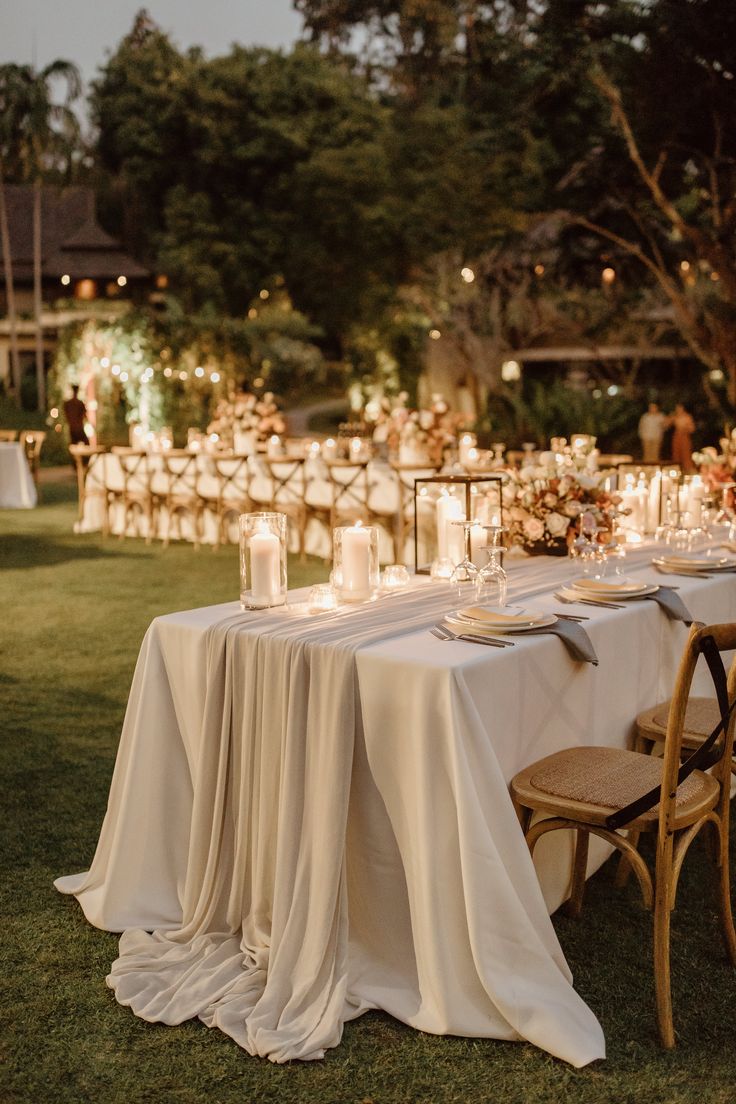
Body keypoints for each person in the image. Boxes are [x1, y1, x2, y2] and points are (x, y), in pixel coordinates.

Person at [671, 403, 696, 472]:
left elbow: (692, 428)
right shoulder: (675, 416)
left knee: (686, 453)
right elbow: (666, 424)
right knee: (676, 453)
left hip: (684, 436)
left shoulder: (687, 417)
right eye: (677, 409)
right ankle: (677, 469)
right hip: (677, 436)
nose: (678, 410)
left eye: (679, 408)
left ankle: (688, 469)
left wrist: (685, 428)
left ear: (682, 409)